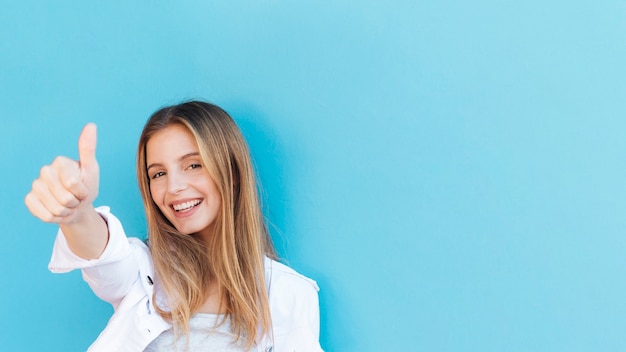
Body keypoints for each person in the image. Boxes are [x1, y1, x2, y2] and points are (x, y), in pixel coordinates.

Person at [24, 101, 322, 352]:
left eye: (193, 165)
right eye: (159, 173)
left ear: (231, 172)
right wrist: (77, 214)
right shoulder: (144, 272)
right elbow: (105, 259)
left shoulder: (287, 293)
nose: (174, 187)